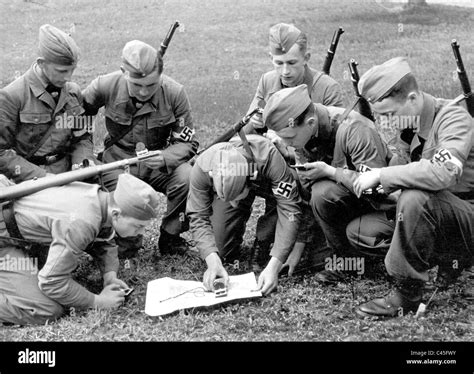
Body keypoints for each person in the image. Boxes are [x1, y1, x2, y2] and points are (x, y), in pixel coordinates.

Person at [349, 57, 473, 318]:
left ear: (413, 98)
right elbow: (401, 180)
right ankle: (440, 259)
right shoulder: (408, 126)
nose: (386, 123)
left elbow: (443, 173)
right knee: (361, 232)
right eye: (380, 117)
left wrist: (383, 174)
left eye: (390, 115)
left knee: (416, 197)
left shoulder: (453, 118)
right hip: (438, 218)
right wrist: (376, 186)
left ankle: (406, 293)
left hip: (465, 218)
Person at [262, 84, 391, 281]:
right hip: (350, 198)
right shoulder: (302, 135)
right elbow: (305, 192)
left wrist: (331, 172)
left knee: (324, 193)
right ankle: (351, 262)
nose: (286, 144)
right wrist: (298, 245)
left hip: (386, 206)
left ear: (311, 122)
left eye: (289, 137)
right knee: (318, 193)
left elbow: (379, 187)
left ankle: (384, 253)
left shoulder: (354, 129)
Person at [82, 40, 198, 256]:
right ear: (123, 72)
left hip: (156, 164)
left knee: (188, 177)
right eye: (137, 85)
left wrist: (165, 157)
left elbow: (188, 142)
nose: (144, 92)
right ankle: (125, 243)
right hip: (117, 164)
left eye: (151, 85)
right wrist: (86, 155)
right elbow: (77, 118)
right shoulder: (104, 85)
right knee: (121, 204)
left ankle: (171, 237)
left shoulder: (174, 93)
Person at [243, 23, 345, 268]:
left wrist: (288, 148)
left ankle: (276, 240)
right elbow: (245, 133)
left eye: (292, 63)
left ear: (307, 58)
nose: (285, 71)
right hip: (273, 165)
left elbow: (330, 149)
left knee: (317, 257)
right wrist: (253, 121)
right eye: (278, 63)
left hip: (310, 170)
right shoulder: (267, 81)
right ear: (271, 59)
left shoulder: (327, 88)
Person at [0, 173, 160, 325]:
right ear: (117, 214)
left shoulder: (99, 200)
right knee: (45, 310)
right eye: (138, 226)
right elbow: (51, 282)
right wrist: (98, 301)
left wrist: (109, 275)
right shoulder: (81, 221)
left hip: (13, 231)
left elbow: (104, 237)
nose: (140, 233)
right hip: (4, 239)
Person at [186, 135, 302, 295]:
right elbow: (197, 216)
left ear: (250, 181)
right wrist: (212, 261)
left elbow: (290, 209)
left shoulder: (268, 156)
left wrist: (275, 264)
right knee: (220, 249)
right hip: (233, 184)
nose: (233, 204)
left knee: (292, 187)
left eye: (236, 199)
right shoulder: (203, 166)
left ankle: (265, 240)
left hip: (269, 183)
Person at [0, 24, 94, 184]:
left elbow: (83, 136)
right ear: (41, 63)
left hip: (69, 172)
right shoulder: (12, 96)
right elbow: (1, 153)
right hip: (30, 179)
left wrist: (81, 162)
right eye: (62, 71)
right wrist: (44, 178)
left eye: (72, 70)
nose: (69, 78)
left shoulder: (73, 92)